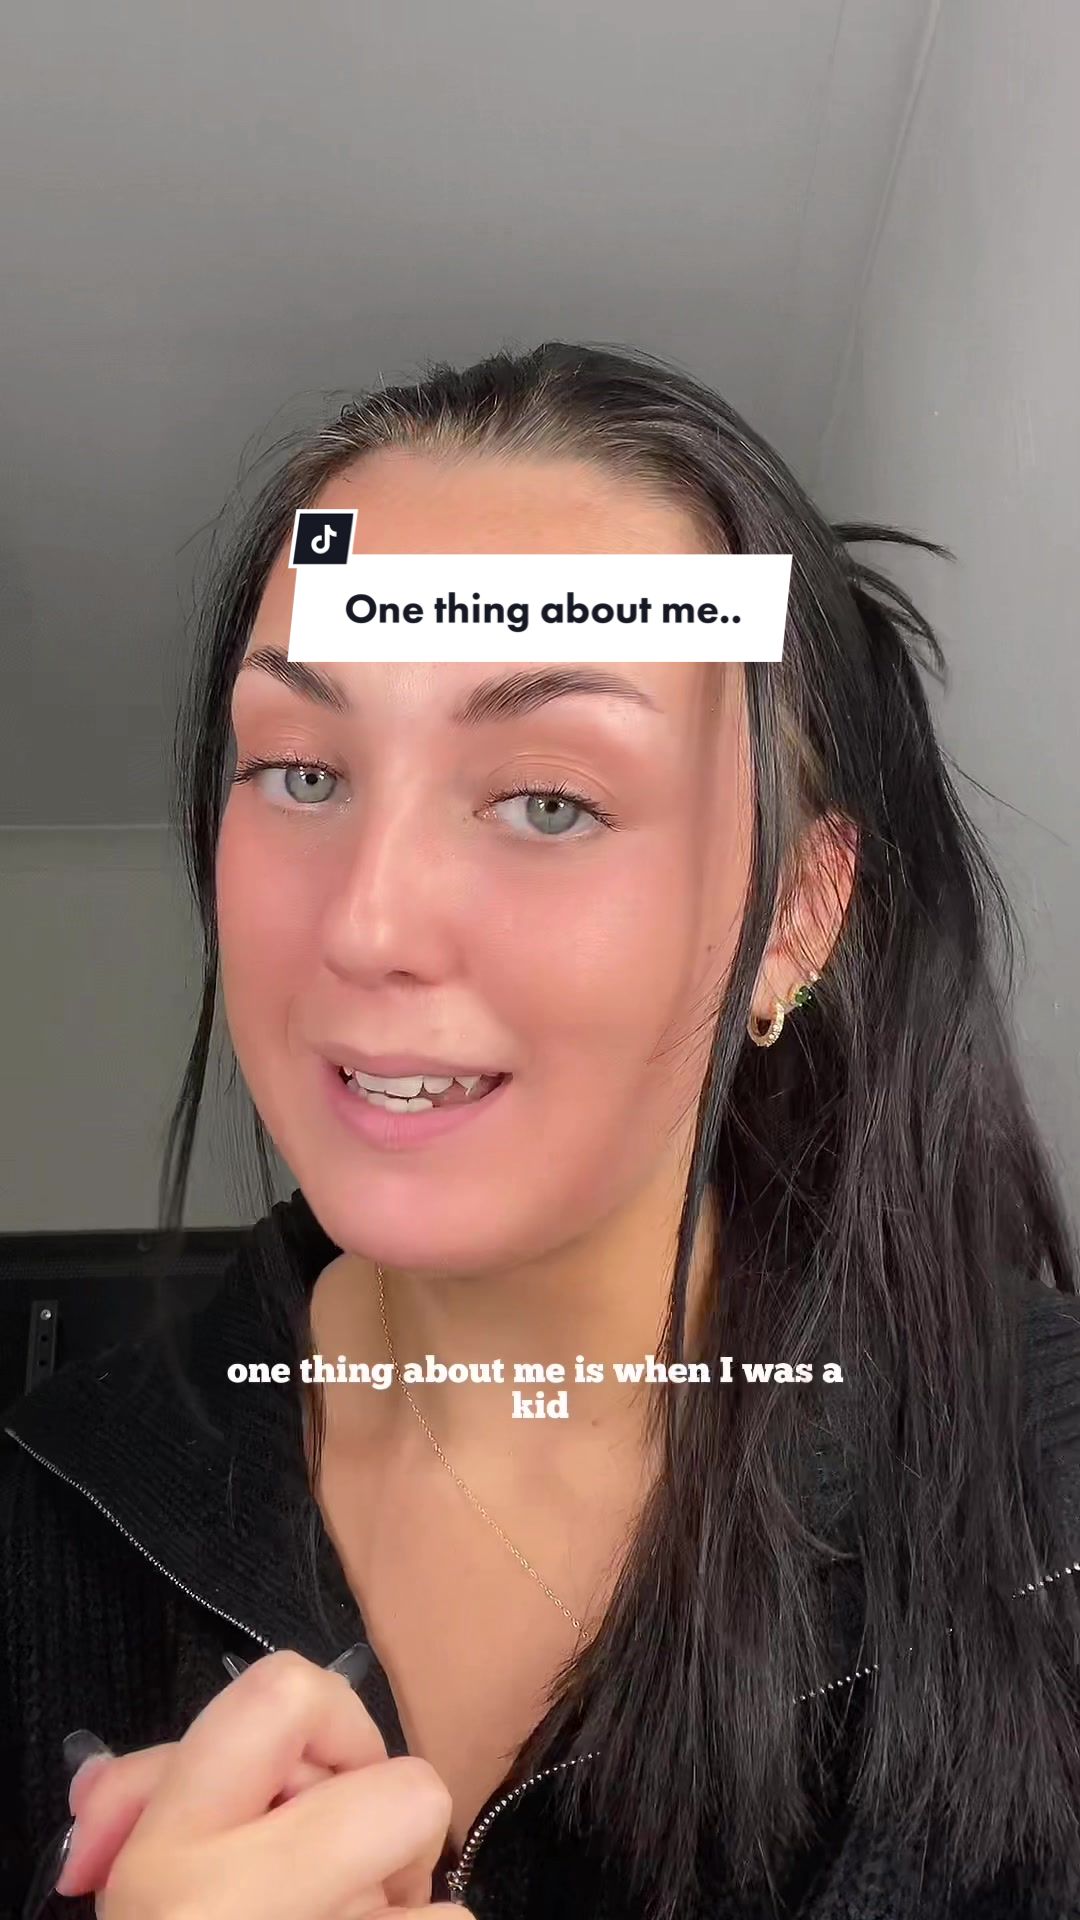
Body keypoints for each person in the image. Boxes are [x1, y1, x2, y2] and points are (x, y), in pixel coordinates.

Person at [3, 340, 1079, 1920]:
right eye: (300, 771)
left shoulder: (1051, 1505)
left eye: (550, 802)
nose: (366, 925)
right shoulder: (48, 1509)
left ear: (794, 917)